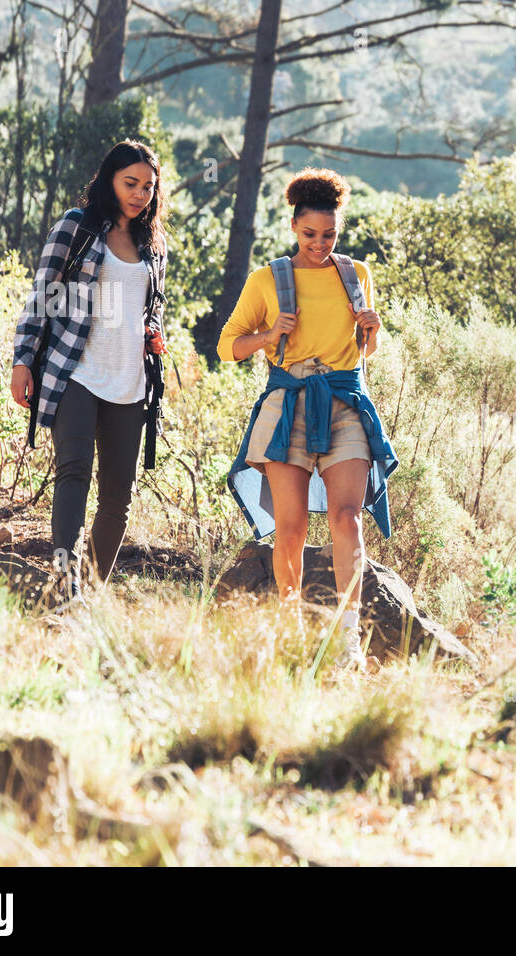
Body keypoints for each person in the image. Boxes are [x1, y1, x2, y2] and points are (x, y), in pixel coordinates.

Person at [217, 167, 398, 671]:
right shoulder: (266, 279)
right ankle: (291, 632)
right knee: (290, 528)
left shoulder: (357, 275)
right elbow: (227, 346)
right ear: (294, 228)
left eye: (330, 235)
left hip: (344, 402)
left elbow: (366, 350)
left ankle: (347, 643)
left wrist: (373, 330)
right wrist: (270, 333)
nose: (320, 244)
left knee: (347, 518)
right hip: (287, 405)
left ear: (339, 230)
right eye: (310, 234)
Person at [9, 139, 169, 606]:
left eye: (147, 186)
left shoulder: (153, 245)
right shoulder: (76, 228)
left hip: (130, 381)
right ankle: (64, 583)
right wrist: (23, 360)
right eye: (130, 183)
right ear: (109, 181)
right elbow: (43, 294)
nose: (139, 194)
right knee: (73, 473)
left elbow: (153, 307)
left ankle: (92, 589)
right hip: (73, 370)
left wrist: (153, 333)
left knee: (118, 497)